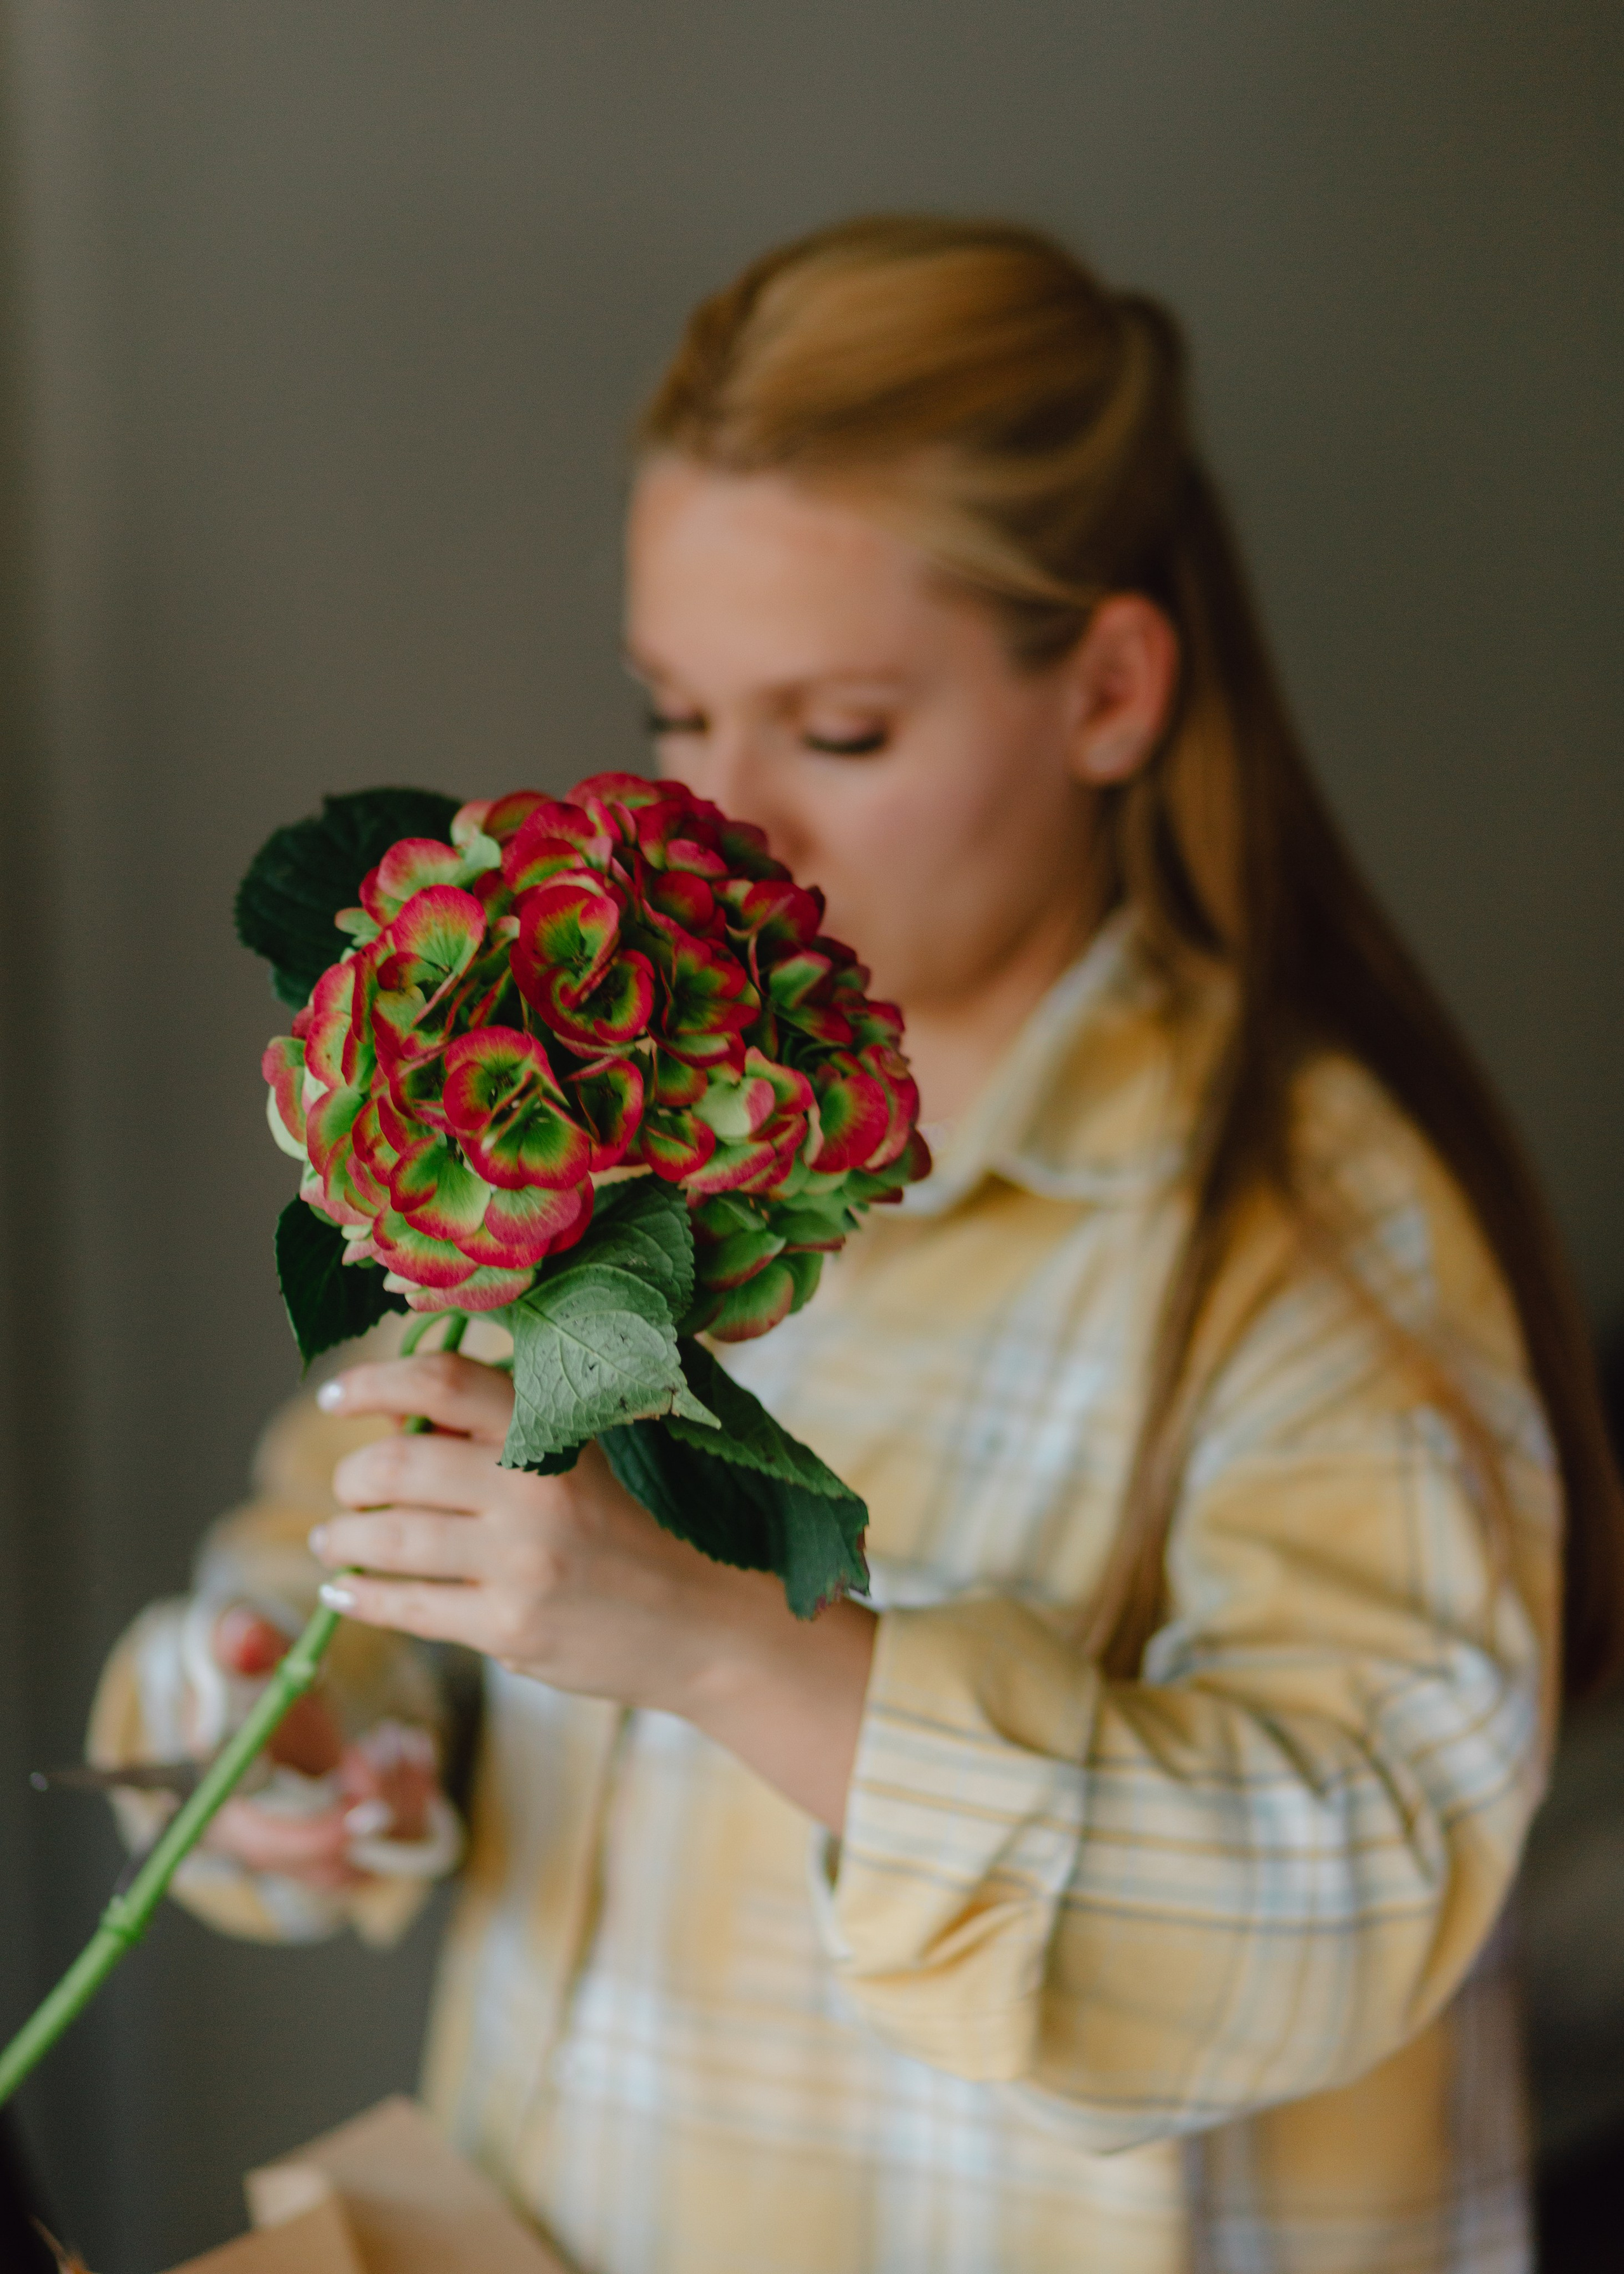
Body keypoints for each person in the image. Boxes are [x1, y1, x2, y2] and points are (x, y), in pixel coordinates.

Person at [93, 216, 1623, 2273]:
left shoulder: (1314, 1229)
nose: (720, 828)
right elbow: (343, 1519)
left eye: (838, 732)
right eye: (675, 712)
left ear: (1105, 687)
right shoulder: (608, 1096)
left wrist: (729, 1643)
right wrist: (312, 1698)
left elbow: (1356, 1883)